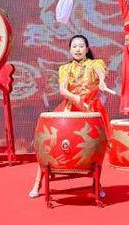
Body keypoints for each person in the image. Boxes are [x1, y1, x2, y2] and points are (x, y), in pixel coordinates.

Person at [29, 35, 115, 198]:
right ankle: (37, 183)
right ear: (70, 50)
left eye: (81, 46)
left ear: (87, 49)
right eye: (74, 46)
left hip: (91, 110)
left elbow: (100, 72)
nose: (78, 49)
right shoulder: (65, 68)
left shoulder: (95, 64)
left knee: (95, 149)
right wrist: (76, 98)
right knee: (48, 145)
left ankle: (97, 183)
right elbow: (63, 90)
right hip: (70, 109)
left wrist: (102, 81)